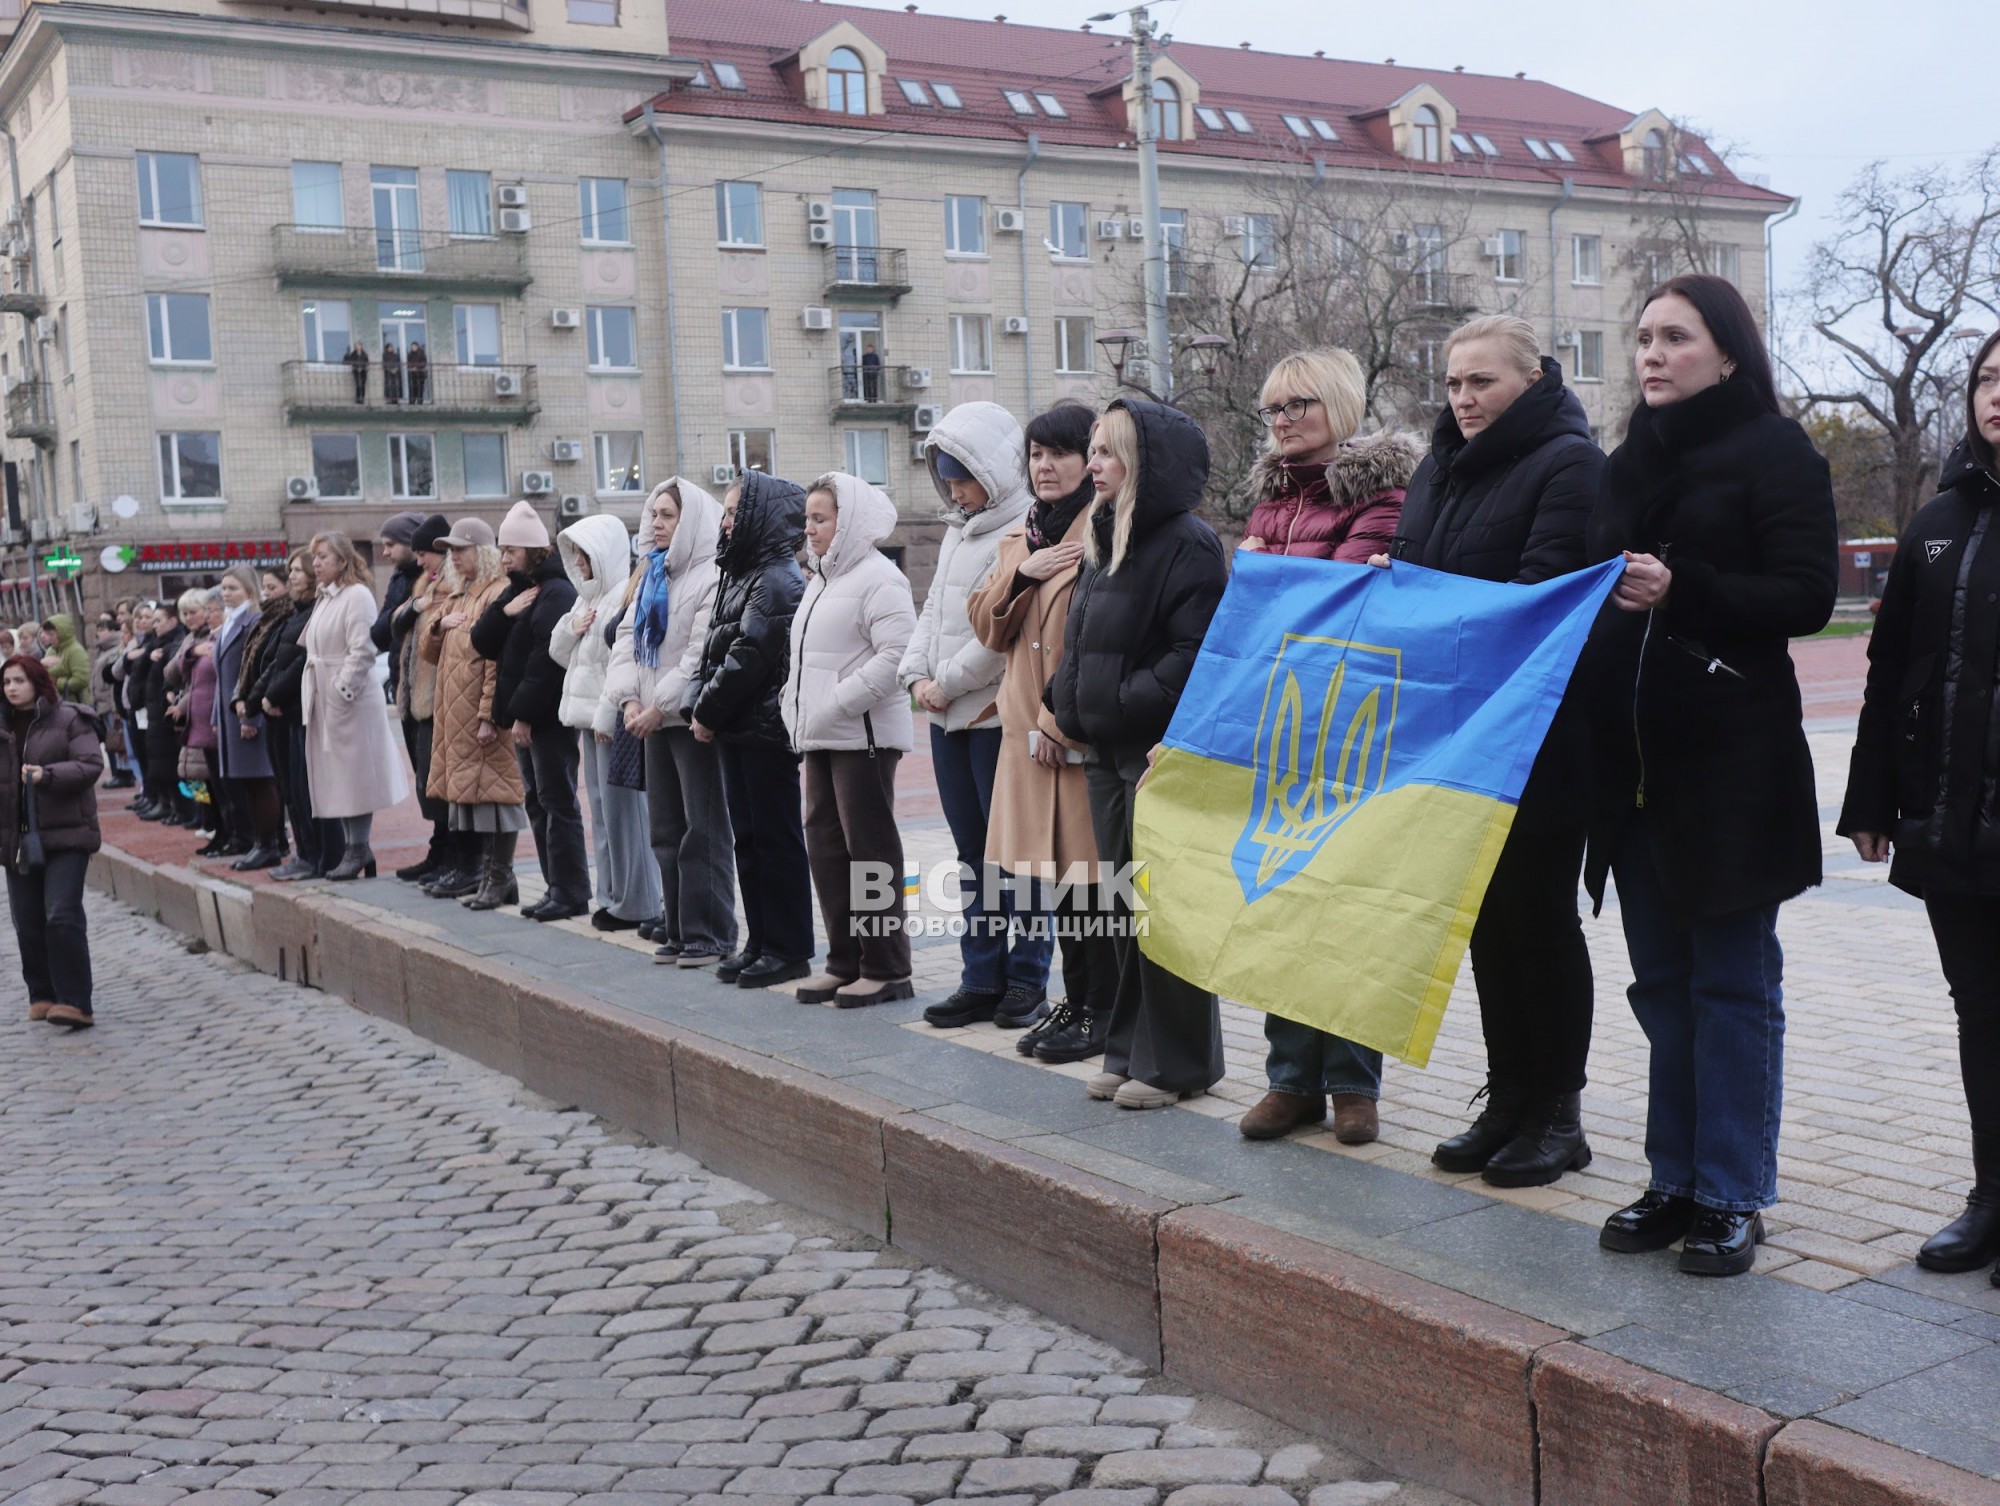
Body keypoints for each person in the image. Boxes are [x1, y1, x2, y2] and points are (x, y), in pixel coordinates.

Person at [1587, 274, 1837, 1277]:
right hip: (1633, 772)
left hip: (1730, 771)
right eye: (1641, 337)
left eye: (1673, 337)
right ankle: (1672, 1178)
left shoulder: (1774, 452)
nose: (1650, 354)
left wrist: (1680, 593)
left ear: (1725, 354)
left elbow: (1807, 595)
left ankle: (1731, 1192)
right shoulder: (1620, 465)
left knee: (1731, 987)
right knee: (1659, 986)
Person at [1378, 315, 1608, 1186]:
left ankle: (1560, 1112)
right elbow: (1410, 576)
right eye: (1453, 384)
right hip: (1452, 734)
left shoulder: (1571, 464)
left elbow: (1538, 602)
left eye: (1482, 382)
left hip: (1538, 740)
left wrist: (1431, 619)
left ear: (1533, 378)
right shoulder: (1437, 467)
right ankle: (1510, 1095)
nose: (1464, 399)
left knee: (1540, 924)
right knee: (1485, 922)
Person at [1839, 328, 2000, 1283]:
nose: (1998, 395)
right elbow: (1889, 670)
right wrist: (1872, 798)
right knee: (1979, 1011)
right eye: (1987, 378)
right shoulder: (1939, 520)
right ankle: (1990, 1195)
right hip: (1951, 819)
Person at [1232, 349, 1419, 1146]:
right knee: (1281, 896)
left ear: (1337, 405)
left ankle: (1352, 1083)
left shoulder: (1384, 493)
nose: (1281, 421)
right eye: (1272, 408)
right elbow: (1247, 609)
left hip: (1351, 730)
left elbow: (1329, 605)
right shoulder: (1271, 499)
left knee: (1344, 905)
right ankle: (1290, 1077)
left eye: (1297, 405)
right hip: (1278, 726)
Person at [1050, 398, 1227, 1111]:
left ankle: (1179, 1062)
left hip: (1156, 750)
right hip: (1103, 748)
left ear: (1145, 464)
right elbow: (1080, 634)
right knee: (1121, 909)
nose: (1093, 464)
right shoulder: (1102, 531)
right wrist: (1069, 704)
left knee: (1164, 910)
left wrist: (1121, 700)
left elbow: (1196, 653)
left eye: (1108, 451)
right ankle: (1127, 1051)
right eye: (1092, 450)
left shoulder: (1189, 543)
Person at [969, 401, 1116, 1065]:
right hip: (1025, 738)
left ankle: (1100, 1011)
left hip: (1073, 735)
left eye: (1059, 452)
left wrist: (1061, 721)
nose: (1045, 465)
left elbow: (1098, 643)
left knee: (1093, 889)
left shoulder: (1107, 530)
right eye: (1035, 454)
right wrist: (1020, 574)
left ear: (1092, 459)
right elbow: (988, 627)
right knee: (1058, 884)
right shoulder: (1024, 535)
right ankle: (1077, 1002)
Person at [901, 402, 1050, 1031]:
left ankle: (1028, 979)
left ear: (992, 469)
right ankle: (979, 977)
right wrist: (915, 675)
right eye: (946, 477)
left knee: (1015, 854)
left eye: (962, 475)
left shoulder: (1025, 529)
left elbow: (1003, 630)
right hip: (944, 720)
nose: (955, 488)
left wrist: (947, 684)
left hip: (993, 717)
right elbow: (933, 613)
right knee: (971, 856)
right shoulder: (958, 530)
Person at [784, 473, 917, 1006]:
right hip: (822, 733)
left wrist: (837, 701)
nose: (810, 529)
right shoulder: (821, 578)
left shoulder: (879, 577)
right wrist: (796, 706)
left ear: (849, 521)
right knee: (827, 846)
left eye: (821, 518)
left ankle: (887, 967)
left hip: (861, 735)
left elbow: (896, 657)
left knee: (871, 851)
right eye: (808, 519)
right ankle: (844, 960)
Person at [682, 472, 812, 989]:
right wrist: (705, 704)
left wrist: (705, 710)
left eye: (736, 511)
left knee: (776, 841)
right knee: (749, 841)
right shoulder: (742, 572)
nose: (727, 520)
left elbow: (749, 655)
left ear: (762, 516)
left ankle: (789, 948)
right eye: (727, 511)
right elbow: (715, 646)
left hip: (765, 732)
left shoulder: (777, 578)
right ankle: (761, 941)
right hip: (741, 729)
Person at [603, 481, 734, 962]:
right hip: (650, 721)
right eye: (653, 514)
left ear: (691, 522)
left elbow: (699, 655)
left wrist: (660, 705)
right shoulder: (655, 573)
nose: (655, 523)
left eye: (667, 516)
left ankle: (711, 933)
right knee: (665, 829)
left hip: (687, 721)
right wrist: (628, 703)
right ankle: (678, 927)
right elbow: (624, 642)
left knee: (703, 832)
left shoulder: (710, 577)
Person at [472, 502, 588, 922]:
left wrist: (522, 715)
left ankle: (571, 891)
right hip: (527, 714)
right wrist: (505, 612)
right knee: (537, 802)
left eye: (511, 550)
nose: (504, 558)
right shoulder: (520, 589)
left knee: (558, 802)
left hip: (547, 718)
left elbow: (546, 662)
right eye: (502, 550)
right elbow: (481, 641)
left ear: (533, 550)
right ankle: (554, 886)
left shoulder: (555, 592)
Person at [554, 510, 665, 934]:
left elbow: (621, 661)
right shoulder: (587, 598)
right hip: (588, 716)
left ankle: (636, 899)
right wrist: (571, 627)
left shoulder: (622, 592)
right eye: (576, 557)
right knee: (601, 810)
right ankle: (612, 894)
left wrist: (606, 712)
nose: (579, 564)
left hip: (613, 716)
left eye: (585, 555)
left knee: (625, 813)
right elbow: (562, 655)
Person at [422, 519, 527, 909]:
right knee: (473, 801)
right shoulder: (460, 595)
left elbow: (496, 663)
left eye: (460, 550)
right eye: (450, 551)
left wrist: (488, 715)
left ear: (481, 553)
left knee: (495, 800)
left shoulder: (497, 593)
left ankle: (500, 877)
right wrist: (436, 626)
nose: (453, 557)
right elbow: (429, 655)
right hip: (456, 715)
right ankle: (492, 878)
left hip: (480, 717)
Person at [302, 531, 411, 881]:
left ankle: (358, 847)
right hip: (325, 696)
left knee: (355, 775)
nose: (316, 563)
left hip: (350, 700)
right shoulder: (325, 597)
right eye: (314, 557)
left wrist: (341, 690)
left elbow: (362, 649)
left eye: (323, 556)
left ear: (342, 559)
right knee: (338, 776)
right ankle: (355, 847)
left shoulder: (357, 595)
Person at [1, 653, 101, 1028]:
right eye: (7, 682)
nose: (12, 689)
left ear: (37, 681)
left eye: (19, 681)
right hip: (18, 839)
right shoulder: (2, 725)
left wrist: (48, 774)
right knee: (27, 921)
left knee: (61, 914)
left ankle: (75, 1001)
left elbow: (91, 764)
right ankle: (42, 994)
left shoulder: (70, 718)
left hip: (66, 833)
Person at [251, 553, 336, 881]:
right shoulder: (295, 614)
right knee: (292, 790)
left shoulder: (315, 611)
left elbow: (302, 660)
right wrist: (257, 696)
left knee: (305, 790)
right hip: (283, 711)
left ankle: (316, 856)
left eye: (298, 571)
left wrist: (272, 695)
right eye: (293, 571)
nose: (295, 576)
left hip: (301, 709)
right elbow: (273, 661)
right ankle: (306, 854)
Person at [388, 514, 455, 885]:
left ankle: (449, 855)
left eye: (423, 553)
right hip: (413, 696)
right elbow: (394, 626)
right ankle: (439, 850)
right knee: (424, 781)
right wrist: (415, 605)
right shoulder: (422, 584)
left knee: (436, 782)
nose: (419, 561)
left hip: (436, 697)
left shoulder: (452, 583)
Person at [213, 566, 285, 869]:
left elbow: (253, 672)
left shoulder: (252, 621)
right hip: (232, 714)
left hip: (247, 714)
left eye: (232, 588)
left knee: (260, 781)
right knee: (247, 783)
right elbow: (222, 677)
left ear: (249, 591)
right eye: (224, 588)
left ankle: (268, 843)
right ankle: (264, 840)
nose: (226, 593)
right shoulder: (228, 622)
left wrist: (250, 719)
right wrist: (218, 715)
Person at [165, 589, 227, 852]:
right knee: (192, 774)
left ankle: (214, 821)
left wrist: (180, 704)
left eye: (194, 612)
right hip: (193, 717)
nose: (189, 618)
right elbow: (172, 672)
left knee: (208, 775)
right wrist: (188, 654)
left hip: (201, 714)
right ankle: (206, 817)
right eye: (185, 613)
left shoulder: (213, 637)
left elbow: (202, 683)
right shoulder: (190, 639)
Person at [134, 598, 187, 826]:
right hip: (155, 712)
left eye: (158, 620)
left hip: (166, 713)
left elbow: (172, 675)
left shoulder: (175, 642)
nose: (154, 625)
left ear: (173, 621)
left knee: (171, 765)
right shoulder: (155, 643)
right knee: (159, 764)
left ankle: (182, 808)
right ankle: (168, 804)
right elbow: (135, 671)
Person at [40, 614, 91, 703]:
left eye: (51, 634)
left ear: (63, 633)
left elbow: (81, 679)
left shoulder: (75, 651)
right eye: (47, 634)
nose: (49, 638)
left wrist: (57, 682)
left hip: (75, 702)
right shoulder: (51, 650)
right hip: (55, 700)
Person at [406, 341, 428, 406]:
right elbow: (408, 362)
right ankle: (412, 401)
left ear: (417, 347)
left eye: (414, 346)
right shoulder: (410, 354)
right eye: (412, 347)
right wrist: (411, 367)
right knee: (412, 388)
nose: (413, 348)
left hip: (420, 374)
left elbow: (423, 362)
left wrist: (417, 367)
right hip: (412, 374)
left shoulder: (421, 354)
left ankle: (420, 401)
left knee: (420, 388)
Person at [382, 340, 402, 405]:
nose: (391, 348)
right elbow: (384, 364)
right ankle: (389, 399)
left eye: (392, 347)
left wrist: (396, 369)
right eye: (389, 347)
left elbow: (398, 363)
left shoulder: (395, 355)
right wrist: (390, 370)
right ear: (387, 348)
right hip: (388, 374)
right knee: (389, 386)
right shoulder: (385, 355)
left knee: (395, 386)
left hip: (395, 374)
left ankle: (396, 399)